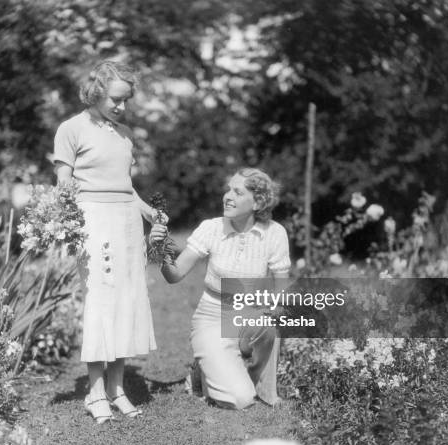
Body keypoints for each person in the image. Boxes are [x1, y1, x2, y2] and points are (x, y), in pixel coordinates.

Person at [52, 60, 163, 423]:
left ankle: (117, 388)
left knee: (126, 301)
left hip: (127, 222)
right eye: (116, 99)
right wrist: (63, 222)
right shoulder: (71, 129)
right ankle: (95, 391)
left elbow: (125, 186)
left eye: (127, 100)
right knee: (101, 302)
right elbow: (63, 184)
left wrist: (148, 212)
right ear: (97, 92)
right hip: (93, 221)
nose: (122, 107)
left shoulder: (125, 134)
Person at [150, 168, 290, 409]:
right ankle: (202, 372)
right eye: (228, 189)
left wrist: (274, 307)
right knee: (239, 399)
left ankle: (263, 387)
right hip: (213, 316)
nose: (227, 196)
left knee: (270, 325)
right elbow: (175, 275)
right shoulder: (211, 228)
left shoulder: (275, 233)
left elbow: (280, 284)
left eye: (237, 191)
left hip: (251, 315)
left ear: (257, 202)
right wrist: (161, 250)